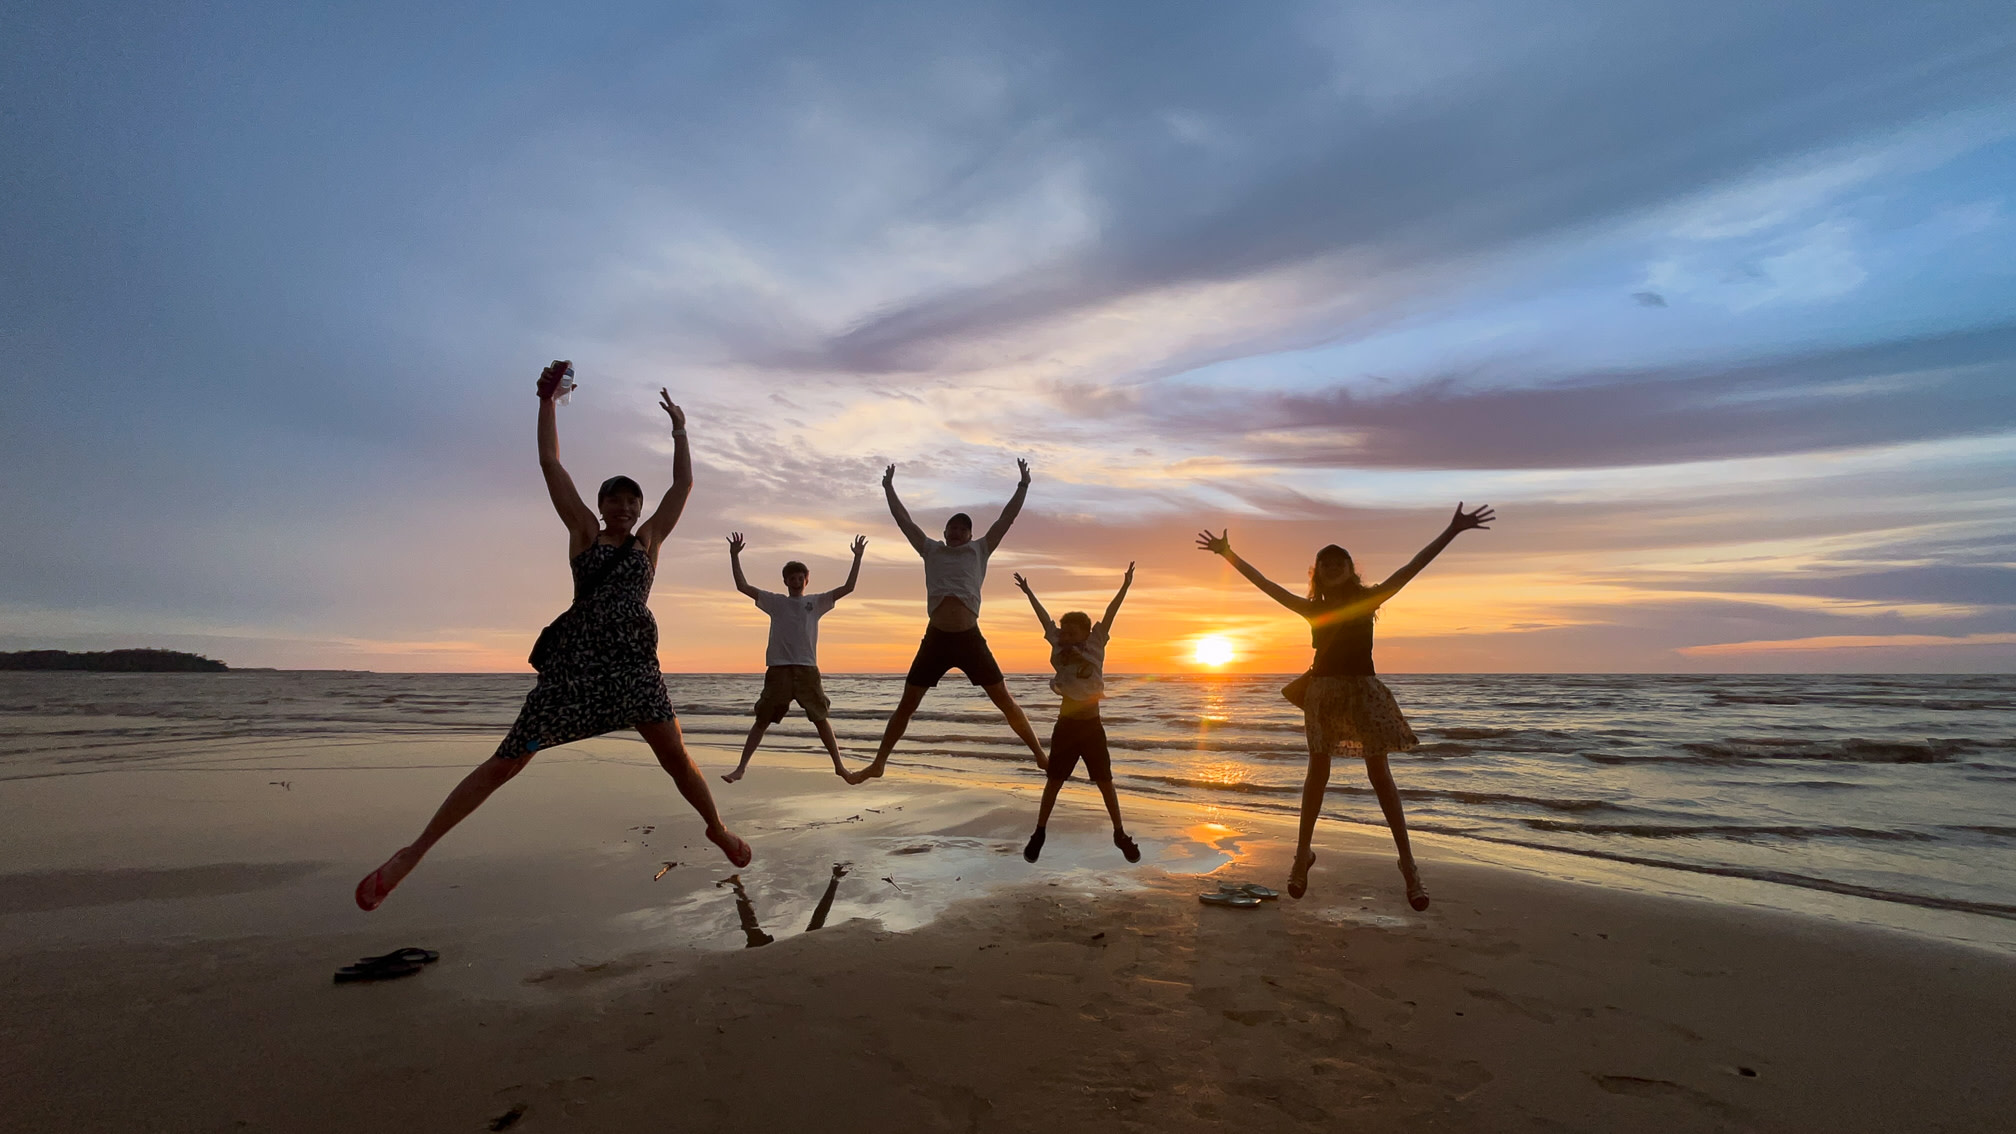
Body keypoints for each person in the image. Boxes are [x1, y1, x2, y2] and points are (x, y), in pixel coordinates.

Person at [353, 360, 751, 912]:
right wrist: (546, 400)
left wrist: (681, 430)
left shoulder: (650, 543)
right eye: (615, 497)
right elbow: (549, 463)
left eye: (632, 500)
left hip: (635, 666)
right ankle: (414, 852)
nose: (625, 506)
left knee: (677, 758)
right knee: (507, 762)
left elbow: (683, 484)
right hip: (577, 668)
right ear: (601, 503)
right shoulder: (583, 533)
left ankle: (716, 828)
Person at [1194, 503, 1494, 908]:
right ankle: (1302, 856)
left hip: (1363, 693)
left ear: (1352, 570)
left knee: (1380, 775)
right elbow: (1265, 584)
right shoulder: (1312, 608)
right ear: (1316, 573)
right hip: (1323, 693)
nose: (1333, 565)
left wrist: (1452, 531)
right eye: (1325, 562)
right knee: (1317, 772)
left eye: (1340, 561)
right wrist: (1228, 555)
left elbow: (1412, 567)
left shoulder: (1368, 601)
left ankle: (1408, 865)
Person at [844, 460, 1048, 783]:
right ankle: (879, 763)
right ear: (945, 533)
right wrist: (888, 489)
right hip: (936, 639)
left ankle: (1040, 756)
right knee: (907, 705)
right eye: (952, 528)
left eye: (962, 529)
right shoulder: (931, 550)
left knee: (1005, 701)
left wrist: (1023, 485)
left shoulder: (980, 550)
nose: (956, 532)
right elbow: (904, 521)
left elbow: (1006, 520)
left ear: (970, 534)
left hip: (969, 639)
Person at [1012, 564, 1140, 865]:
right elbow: (1044, 619)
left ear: (1086, 631)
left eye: (1072, 631)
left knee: (1105, 781)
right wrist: (1029, 592)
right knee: (1054, 781)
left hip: (1092, 727)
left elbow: (1110, 614)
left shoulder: (1096, 643)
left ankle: (1119, 833)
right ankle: (1039, 832)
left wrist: (1125, 586)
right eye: (1064, 630)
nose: (1066, 635)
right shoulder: (1058, 644)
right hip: (1067, 726)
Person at [721, 532, 866, 783]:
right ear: (785, 581)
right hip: (778, 670)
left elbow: (848, 588)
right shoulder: (775, 602)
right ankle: (741, 768)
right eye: (792, 578)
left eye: (801, 577)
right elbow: (742, 587)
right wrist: (734, 555)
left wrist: (858, 558)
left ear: (806, 580)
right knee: (762, 719)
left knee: (820, 719)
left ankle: (840, 766)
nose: (796, 581)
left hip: (807, 669)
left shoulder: (816, 602)